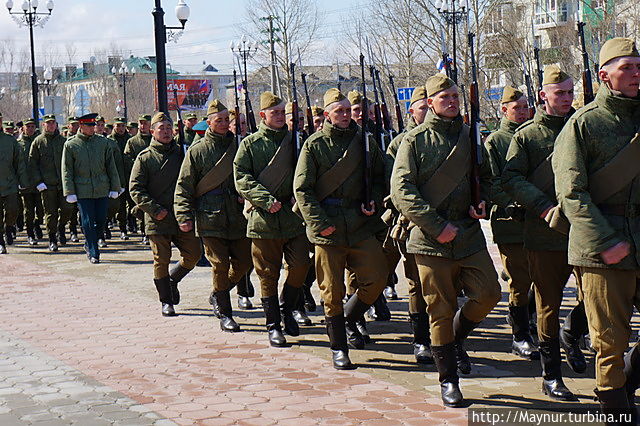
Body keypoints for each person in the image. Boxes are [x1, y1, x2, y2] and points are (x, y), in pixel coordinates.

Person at [391, 74, 501, 407]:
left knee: (489, 293)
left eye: (455, 95)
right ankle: (448, 380)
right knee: (439, 310)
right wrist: (437, 226)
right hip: (429, 239)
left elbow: (489, 178)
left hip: (468, 234)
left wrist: (486, 202)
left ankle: (455, 341)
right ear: (432, 102)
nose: (452, 101)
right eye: (445, 97)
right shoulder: (415, 140)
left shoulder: (472, 137)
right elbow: (402, 190)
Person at [553, 37, 640, 420]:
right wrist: (606, 240)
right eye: (628, 68)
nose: (637, 74)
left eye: (639, 66)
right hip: (601, 247)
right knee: (610, 341)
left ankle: (624, 389)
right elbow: (571, 193)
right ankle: (615, 410)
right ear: (605, 76)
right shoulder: (583, 125)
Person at [502, 65, 584, 402]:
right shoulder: (527, 136)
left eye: (569, 92)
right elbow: (511, 178)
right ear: (543, 96)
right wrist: (543, 207)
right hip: (544, 233)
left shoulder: (583, 126)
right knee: (548, 304)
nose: (566, 99)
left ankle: (573, 332)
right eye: (560, 93)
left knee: (593, 299)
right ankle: (551, 376)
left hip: (583, 231)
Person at [294, 88, 388, 370]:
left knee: (378, 276)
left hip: (360, 224)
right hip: (328, 226)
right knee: (331, 291)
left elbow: (382, 177)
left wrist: (374, 202)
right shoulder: (314, 145)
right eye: (340, 112)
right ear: (327, 115)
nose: (346, 116)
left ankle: (350, 316)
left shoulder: (366, 141)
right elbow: (302, 189)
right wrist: (320, 224)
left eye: (349, 111)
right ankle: (338, 348)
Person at [234, 91, 312, 348]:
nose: (280, 117)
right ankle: (273, 325)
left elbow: (309, 173)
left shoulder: (298, 141)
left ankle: (286, 307)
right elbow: (241, 177)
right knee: (267, 274)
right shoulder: (250, 144)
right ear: (263, 115)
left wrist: (296, 196)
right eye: (275, 113)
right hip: (263, 217)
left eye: (283, 112)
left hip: (293, 217)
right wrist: (266, 200)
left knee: (300, 266)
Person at [175, 100, 252, 331]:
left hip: (237, 215)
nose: (223, 124)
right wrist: (183, 215)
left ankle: (219, 293)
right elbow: (184, 185)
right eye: (218, 120)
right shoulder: (198, 150)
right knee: (219, 264)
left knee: (243, 263)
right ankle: (226, 313)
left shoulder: (239, 146)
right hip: (210, 216)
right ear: (208, 122)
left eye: (226, 120)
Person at [484, 86, 538, 360]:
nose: (524, 111)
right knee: (520, 279)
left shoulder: (533, 135)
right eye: (517, 108)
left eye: (526, 106)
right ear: (504, 110)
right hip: (510, 221)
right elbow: (491, 182)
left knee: (540, 278)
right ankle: (520, 336)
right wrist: (515, 204)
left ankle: (529, 322)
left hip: (538, 221)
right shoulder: (495, 140)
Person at [130, 112, 201, 317]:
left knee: (193, 255)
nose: (167, 132)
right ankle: (166, 300)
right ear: (152, 131)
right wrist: (155, 210)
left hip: (181, 215)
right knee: (161, 259)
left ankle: (173, 279)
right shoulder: (145, 158)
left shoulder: (183, 154)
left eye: (169, 128)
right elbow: (136, 189)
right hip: (157, 217)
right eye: (162, 128)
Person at [384, 85, 433, 364]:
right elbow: (393, 188)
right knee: (415, 282)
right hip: (411, 222)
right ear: (411, 111)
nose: (426, 112)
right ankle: (421, 339)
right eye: (422, 108)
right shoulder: (400, 143)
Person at [62, 113, 121, 264]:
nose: (92, 128)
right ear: (81, 126)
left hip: (101, 187)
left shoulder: (103, 143)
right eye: (89, 126)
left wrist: (115, 187)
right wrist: (69, 191)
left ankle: (90, 242)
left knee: (101, 220)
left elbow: (111, 166)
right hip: (83, 189)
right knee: (88, 222)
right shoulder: (71, 145)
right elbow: (67, 169)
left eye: (93, 125)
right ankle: (94, 251)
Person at [29, 115, 72, 252]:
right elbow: (32, 164)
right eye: (48, 123)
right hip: (47, 185)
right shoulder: (38, 142)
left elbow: (70, 162)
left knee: (67, 209)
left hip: (62, 184)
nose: (51, 125)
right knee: (50, 213)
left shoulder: (63, 141)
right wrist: (38, 182)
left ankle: (61, 227)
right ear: (43, 125)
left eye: (53, 123)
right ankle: (52, 239)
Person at [0, 122, 27, 253]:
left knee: (13, 209)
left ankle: (9, 226)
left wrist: (23, 181)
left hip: (9, 183)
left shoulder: (10, 140)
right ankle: (1, 242)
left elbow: (19, 162)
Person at [18, 118, 44, 245]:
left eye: (33, 126)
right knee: (28, 211)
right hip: (26, 183)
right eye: (28, 126)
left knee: (41, 209)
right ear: (23, 128)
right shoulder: (18, 144)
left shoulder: (40, 142)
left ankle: (37, 225)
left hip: (39, 182)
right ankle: (29, 234)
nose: (30, 129)